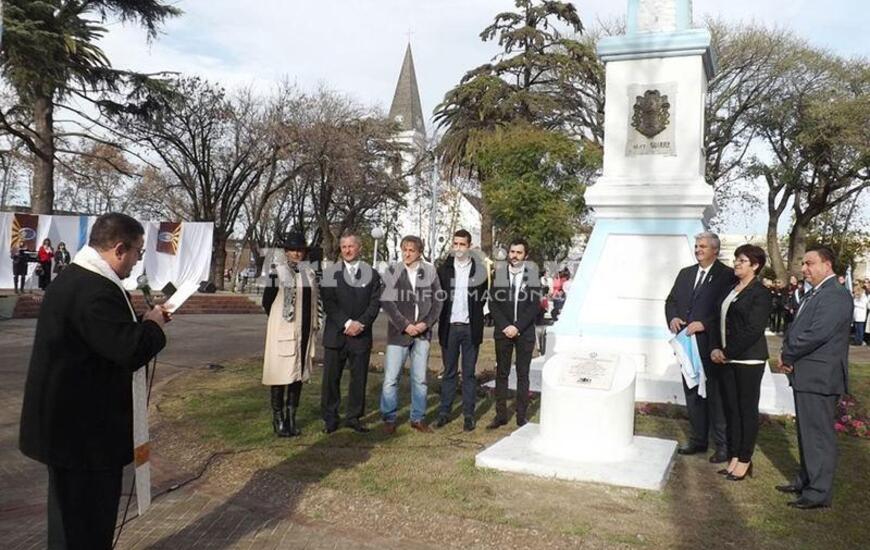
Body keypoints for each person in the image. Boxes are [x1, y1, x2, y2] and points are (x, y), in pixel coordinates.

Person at [19, 213, 169, 549]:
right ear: (119, 249)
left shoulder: (74, 277)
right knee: (87, 526)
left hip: (68, 429)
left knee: (68, 523)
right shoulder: (96, 290)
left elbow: (103, 338)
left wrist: (140, 322)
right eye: (138, 253)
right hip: (85, 438)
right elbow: (128, 350)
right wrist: (154, 326)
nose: (136, 261)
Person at [776, 246, 852, 509]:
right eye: (804, 264)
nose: (804, 269)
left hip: (820, 376)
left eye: (810, 264)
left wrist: (788, 354)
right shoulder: (817, 293)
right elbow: (798, 327)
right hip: (808, 374)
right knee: (807, 432)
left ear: (827, 264)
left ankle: (818, 492)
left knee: (818, 435)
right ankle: (806, 479)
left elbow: (817, 333)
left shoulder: (835, 295)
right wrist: (789, 352)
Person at [664, 232, 736, 463]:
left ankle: (722, 446)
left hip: (711, 345)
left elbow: (727, 310)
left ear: (715, 250)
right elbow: (671, 301)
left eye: (703, 246)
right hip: (687, 345)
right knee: (693, 393)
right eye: (696, 246)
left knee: (715, 396)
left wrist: (704, 324)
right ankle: (698, 440)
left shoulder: (726, 275)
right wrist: (673, 317)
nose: (698, 250)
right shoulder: (686, 274)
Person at [710, 244, 771, 481]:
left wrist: (727, 351)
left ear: (755, 266)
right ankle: (734, 456)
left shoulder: (760, 293)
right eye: (736, 259)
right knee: (732, 410)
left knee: (746, 410)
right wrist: (716, 347)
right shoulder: (731, 289)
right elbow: (719, 319)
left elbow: (753, 329)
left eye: (743, 260)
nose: (736, 263)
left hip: (748, 359)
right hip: (726, 357)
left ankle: (745, 459)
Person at [380, 235, 443, 434]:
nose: (407, 254)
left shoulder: (430, 271)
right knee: (391, 379)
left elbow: (438, 301)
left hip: (422, 335)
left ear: (419, 252)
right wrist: (405, 325)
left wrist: (425, 324)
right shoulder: (393, 271)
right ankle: (389, 418)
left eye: (411, 250)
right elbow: (387, 303)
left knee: (420, 379)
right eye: (404, 250)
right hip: (399, 334)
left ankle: (418, 418)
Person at [320, 232, 382, 433]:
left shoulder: (372, 274)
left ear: (359, 248)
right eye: (343, 246)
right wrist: (346, 323)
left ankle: (354, 417)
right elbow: (328, 302)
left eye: (351, 246)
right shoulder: (330, 274)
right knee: (331, 379)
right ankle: (330, 417)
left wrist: (360, 324)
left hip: (361, 336)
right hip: (336, 334)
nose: (347, 250)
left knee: (359, 379)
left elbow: (375, 303)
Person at [261, 232, 319, 437]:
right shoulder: (277, 272)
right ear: (286, 252)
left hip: (304, 331)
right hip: (283, 330)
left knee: (298, 376)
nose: (297, 253)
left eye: (300, 250)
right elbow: (267, 302)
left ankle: (291, 418)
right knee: (279, 374)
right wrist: (280, 319)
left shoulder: (309, 274)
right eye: (293, 250)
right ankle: (278, 420)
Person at [436, 229, 489, 432]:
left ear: (469, 246)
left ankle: (469, 414)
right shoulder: (444, 270)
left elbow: (483, 297)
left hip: (470, 328)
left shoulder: (480, 271)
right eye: (455, 244)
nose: (458, 248)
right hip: (449, 328)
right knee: (449, 372)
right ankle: (444, 412)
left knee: (468, 374)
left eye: (462, 244)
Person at [487, 238, 542, 429]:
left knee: (522, 374)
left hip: (524, 332)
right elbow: (493, 303)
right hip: (503, 332)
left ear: (525, 255)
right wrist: (506, 326)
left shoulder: (532, 275)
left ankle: (521, 416)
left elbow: (534, 305)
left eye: (519, 252)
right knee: (501, 374)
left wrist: (517, 327)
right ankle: (500, 416)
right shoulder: (500, 274)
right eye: (512, 252)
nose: (515, 256)